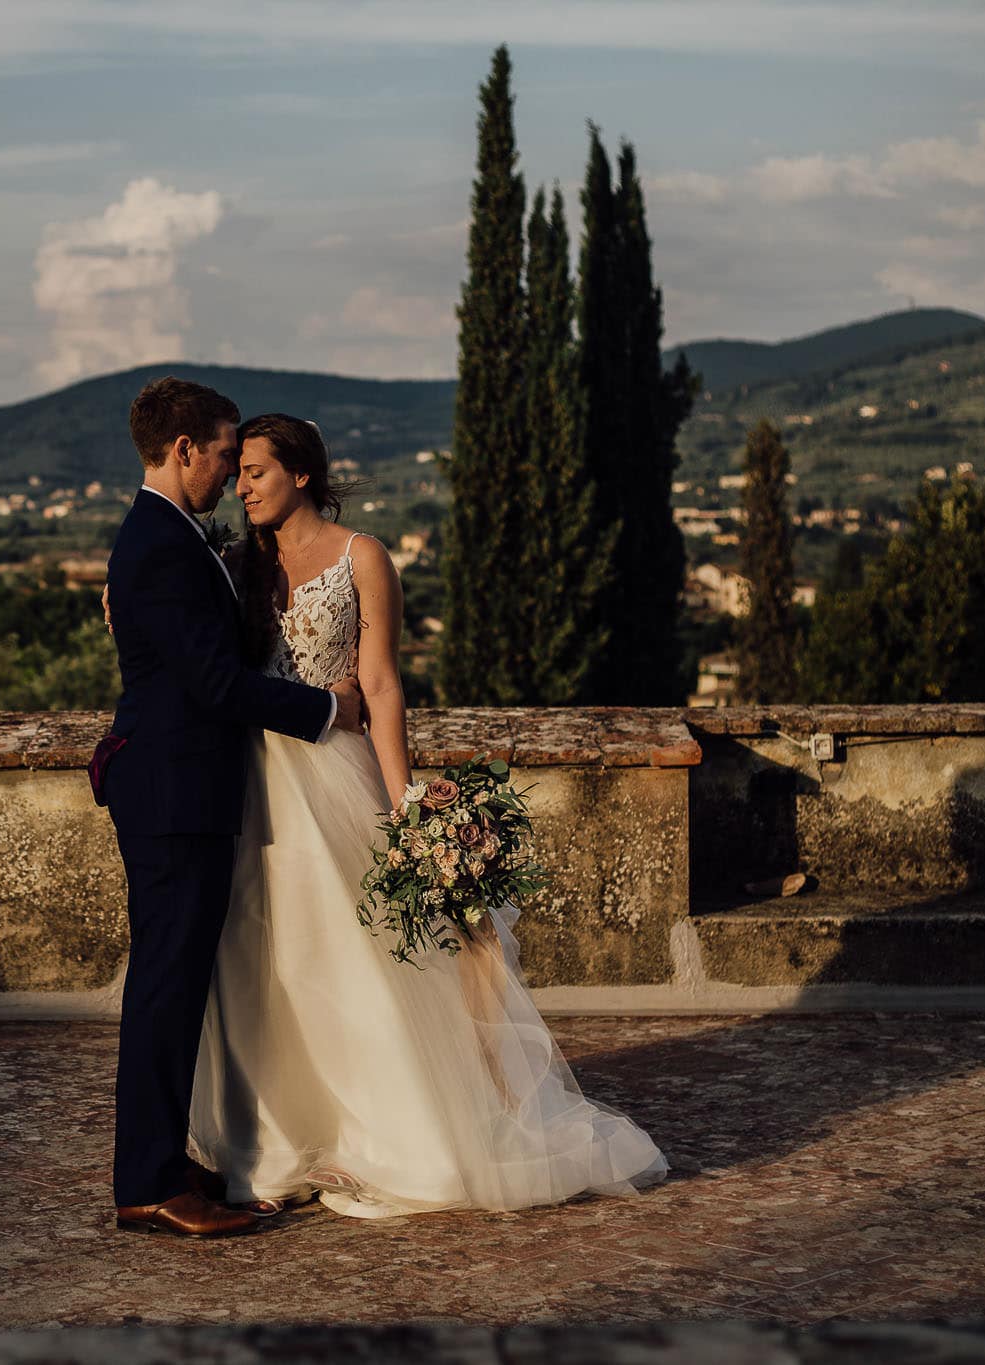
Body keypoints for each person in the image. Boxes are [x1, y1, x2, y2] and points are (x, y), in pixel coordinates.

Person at [180, 412, 670, 1219]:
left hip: (335, 778)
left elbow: (379, 687)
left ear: (302, 474)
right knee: (261, 964)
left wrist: (403, 803)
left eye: (256, 472)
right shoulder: (235, 564)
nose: (241, 487)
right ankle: (272, 1140)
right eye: (238, 475)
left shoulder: (361, 557)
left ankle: (383, 1138)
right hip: (249, 783)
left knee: (356, 962)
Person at [93, 377, 365, 1238]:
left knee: (177, 985)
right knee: (167, 988)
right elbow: (214, 683)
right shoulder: (162, 544)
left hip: (183, 787)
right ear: (183, 452)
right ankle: (146, 1182)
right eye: (219, 454)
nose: (228, 473)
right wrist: (328, 711)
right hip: (174, 792)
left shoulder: (167, 537)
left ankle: (165, 1162)